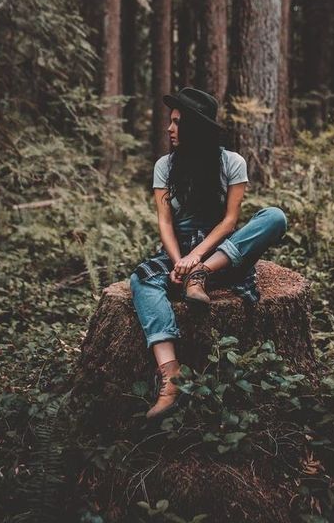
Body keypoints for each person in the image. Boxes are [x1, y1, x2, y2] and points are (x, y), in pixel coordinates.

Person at [130, 87, 287, 420]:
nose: (169, 129)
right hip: (179, 253)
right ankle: (171, 376)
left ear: (194, 128)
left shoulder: (231, 162)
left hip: (220, 253)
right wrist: (178, 262)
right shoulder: (164, 166)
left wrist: (197, 261)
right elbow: (165, 223)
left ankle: (203, 277)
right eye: (170, 122)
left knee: (274, 217)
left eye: (176, 123)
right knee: (141, 279)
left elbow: (230, 221)